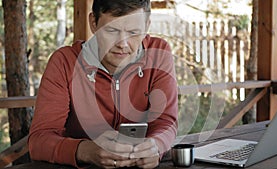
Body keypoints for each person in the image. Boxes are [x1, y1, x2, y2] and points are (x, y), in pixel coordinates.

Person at [28, 0, 178, 168]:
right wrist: (85, 151)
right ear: (93, 23)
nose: (122, 44)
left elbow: (166, 122)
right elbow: (39, 141)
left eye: (134, 32)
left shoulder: (158, 53)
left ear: (147, 25)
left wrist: (157, 146)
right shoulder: (64, 62)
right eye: (112, 30)